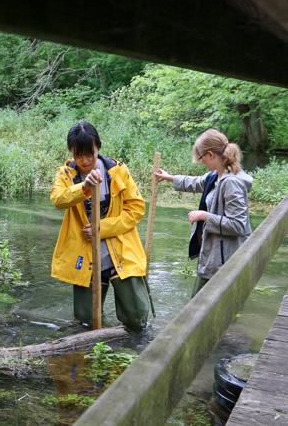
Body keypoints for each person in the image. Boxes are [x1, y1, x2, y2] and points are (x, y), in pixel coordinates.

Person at [50, 121, 150, 331]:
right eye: (79, 155)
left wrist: (101, 228)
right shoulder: (66, 174)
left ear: (98, 148)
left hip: (120, 249)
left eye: (90, 154)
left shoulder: (117, 171)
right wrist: (83, 187)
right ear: (71, 152)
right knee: (86, 320)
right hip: (85, 254)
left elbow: (136, 209)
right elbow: (58, 199)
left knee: (136, 318)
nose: (85, 161)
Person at [154, 128, 252, 297]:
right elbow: (197, 182)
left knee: (198, 309)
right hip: (213, 256)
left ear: (211, 154)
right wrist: (170, 178)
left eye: (201, 158)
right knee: (199, 305)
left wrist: (204, 216)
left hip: (223, 261)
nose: (201, 162)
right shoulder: (216, 175)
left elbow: (239, 226)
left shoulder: (231, 183)